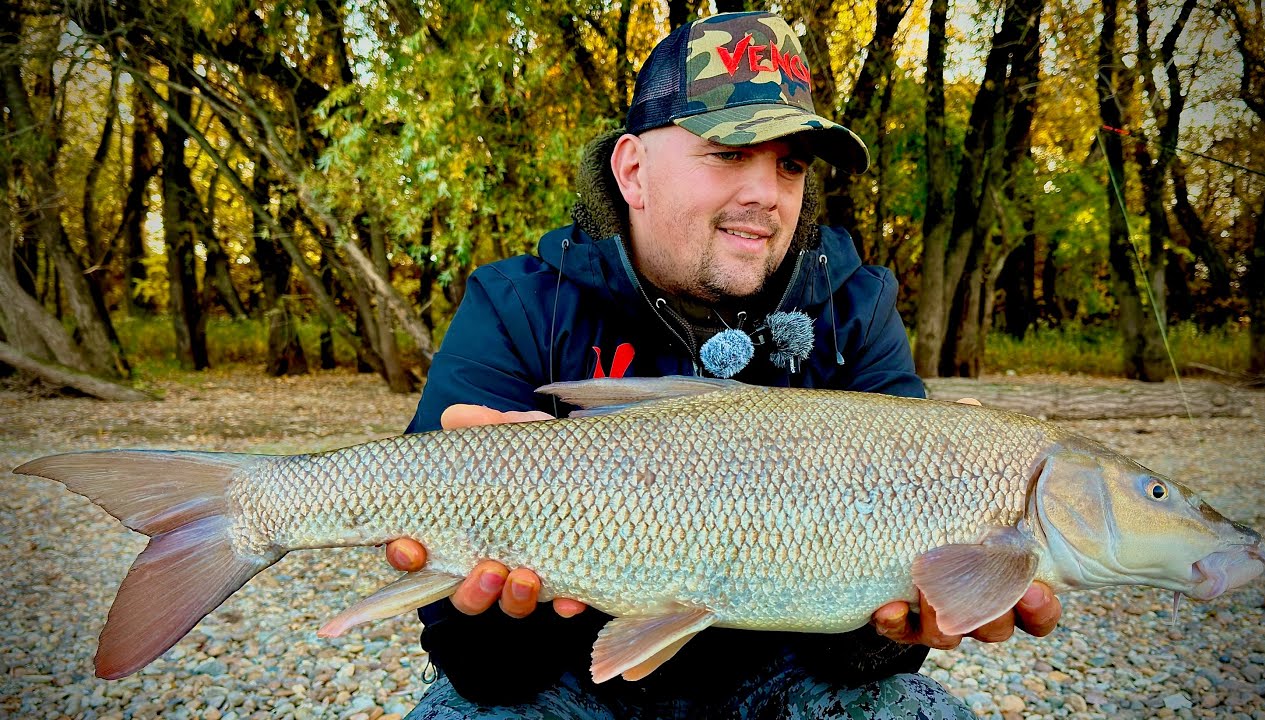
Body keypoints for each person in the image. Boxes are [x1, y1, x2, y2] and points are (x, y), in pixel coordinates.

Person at [389, 11, 1061, 719]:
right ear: (632, 171)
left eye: (791, 164)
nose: (768, 195)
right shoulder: (519, 304)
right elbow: (472, 661)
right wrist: (505, 608)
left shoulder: (856, 309)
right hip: (564, 674)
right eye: (729, 154)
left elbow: (873, 649)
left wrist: (894, 630)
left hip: (781, 676)